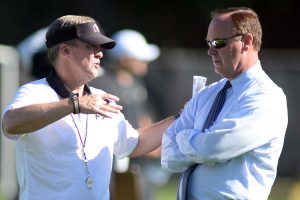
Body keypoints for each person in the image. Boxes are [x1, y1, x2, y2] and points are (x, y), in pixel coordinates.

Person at [1, 15, 175, 200]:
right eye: (91, 46)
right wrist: (75, 104)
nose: (100, 53)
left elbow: (135, 143)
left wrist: (182, 116)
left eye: (100, 47)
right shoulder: (35, 91)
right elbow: (10, 124)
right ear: (65, 50)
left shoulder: (100, 97)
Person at [161, 7, 288, 200]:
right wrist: (198, 142)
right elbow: (168, 157)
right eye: (208, 42)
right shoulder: (208, 93)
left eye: (218, 42)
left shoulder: (266, 97)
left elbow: (214, 148)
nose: (210, 50)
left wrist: (185, 136)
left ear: (246, 42)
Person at [90, 29, 168, 200]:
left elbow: (144, 119)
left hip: (138, 168)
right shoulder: (102, 86)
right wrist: (154, 149)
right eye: (140, 59)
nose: (145, 62)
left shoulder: (136, 84)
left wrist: (157, 145)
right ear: (125, 60)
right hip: (113, 172)